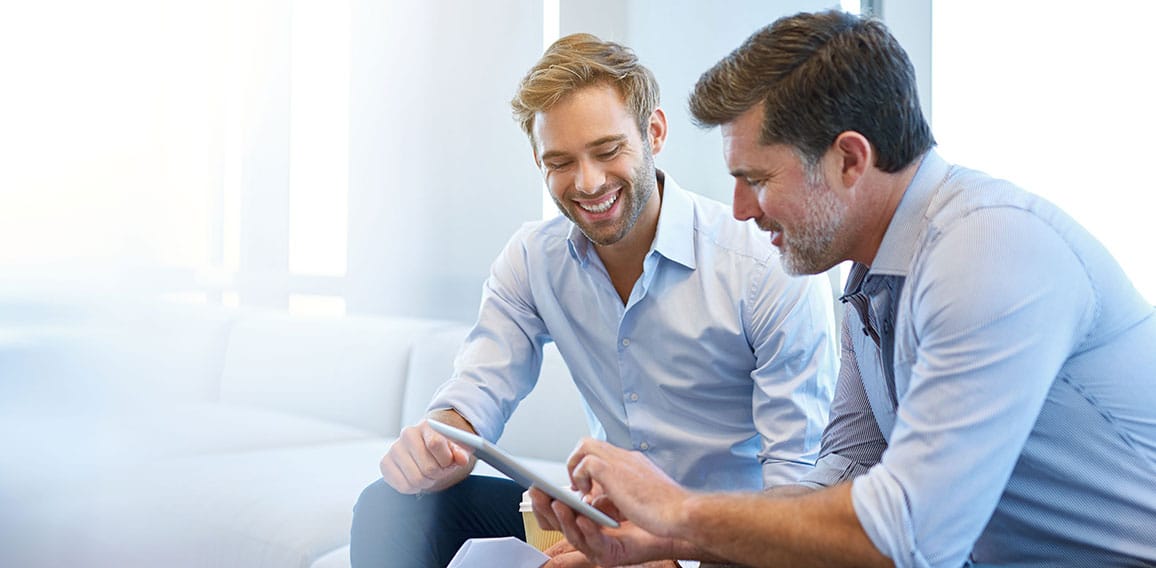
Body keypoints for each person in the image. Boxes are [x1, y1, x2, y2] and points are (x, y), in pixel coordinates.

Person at [533, 10, 1156, 568]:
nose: (741, 210)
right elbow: (849, 468)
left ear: (850, 159)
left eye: (755, 179)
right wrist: (659, 539)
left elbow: (906, 533)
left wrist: (676, 510)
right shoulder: (874, 276)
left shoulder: (988, 251)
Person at [349, 33, 838, 567]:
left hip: (728, 546)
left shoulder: (765, 268)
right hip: (609, 525)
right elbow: (477, 390)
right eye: (560, 161)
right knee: (393, 505)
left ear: (654, 131)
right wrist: (438, 443)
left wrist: (660, 552)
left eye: (607, 151)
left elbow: (796, 502)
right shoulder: (535, 260)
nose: (587, 182)